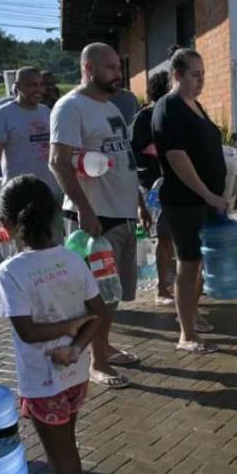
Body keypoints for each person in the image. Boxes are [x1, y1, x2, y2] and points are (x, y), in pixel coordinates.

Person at [0, 174, 104, 474]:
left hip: (44, 384)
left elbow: (26, 331)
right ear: (55, 215)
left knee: (64, 462)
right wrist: (75, 344)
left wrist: (67, 328)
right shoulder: (72, 258)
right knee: (67, 453)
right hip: (74, 376)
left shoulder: (10, 272)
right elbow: (99, 313)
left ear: (5, 225)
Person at [50, 43, 150, 389]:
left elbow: (123, 159)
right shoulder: (70, 107)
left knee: (114, 291)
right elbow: (58, 162)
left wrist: (138, 200)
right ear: (89, 68)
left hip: (121, 213)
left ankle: (104, 347)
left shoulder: (110, 106)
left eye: (118, 67)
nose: (118, 74)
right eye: (110, 68)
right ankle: (97, 362)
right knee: (97, 294)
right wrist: (84, 208)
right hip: (95, 218)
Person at [152, 47, 229, 354]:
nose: (201, 81)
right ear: (177, 75)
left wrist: (217, 196)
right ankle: (186, 335)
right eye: (195, 75)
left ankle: (192, 315)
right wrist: (208, 194)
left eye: (203, 75)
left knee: (197, 265)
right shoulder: (169, 107)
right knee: (188, 263)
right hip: (184, 202)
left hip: (204, 201)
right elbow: (177, 157)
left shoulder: (193, 104)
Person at [0, 67, 61, 227]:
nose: (39, 89)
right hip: (18, 195)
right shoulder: (2, 114)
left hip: (49, 192)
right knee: (19, 247)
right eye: (32, 85)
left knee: (51, 244)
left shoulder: (46, 112)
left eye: (41, 85)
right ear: (18, 86)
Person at [131, 69, 175, 306]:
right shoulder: (144, 118)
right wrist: (151, 153)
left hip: (181, 184)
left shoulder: (179, 114)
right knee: (164, 238)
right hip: (154, 186)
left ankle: (187, 285)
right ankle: (161, 288)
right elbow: (132, 156)